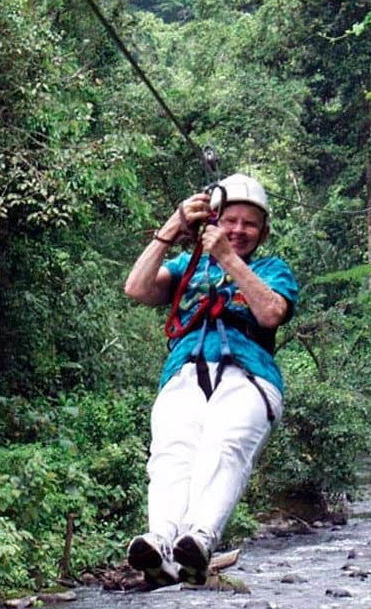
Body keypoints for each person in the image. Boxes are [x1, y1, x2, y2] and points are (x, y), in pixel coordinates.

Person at [122, 173, 298, 586]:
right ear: (215, 221)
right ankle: (160, 542)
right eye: (229, 220)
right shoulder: (188, 267)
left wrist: (227, 258)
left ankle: (199, 539)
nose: (238, 230)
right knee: (171, 453)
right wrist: (174, 226)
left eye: (249, 223)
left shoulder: (273, 270)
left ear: (263, 232)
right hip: (185, 369)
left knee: (226, 443)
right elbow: (136, 288)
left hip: (248, 375)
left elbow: (271, 313)